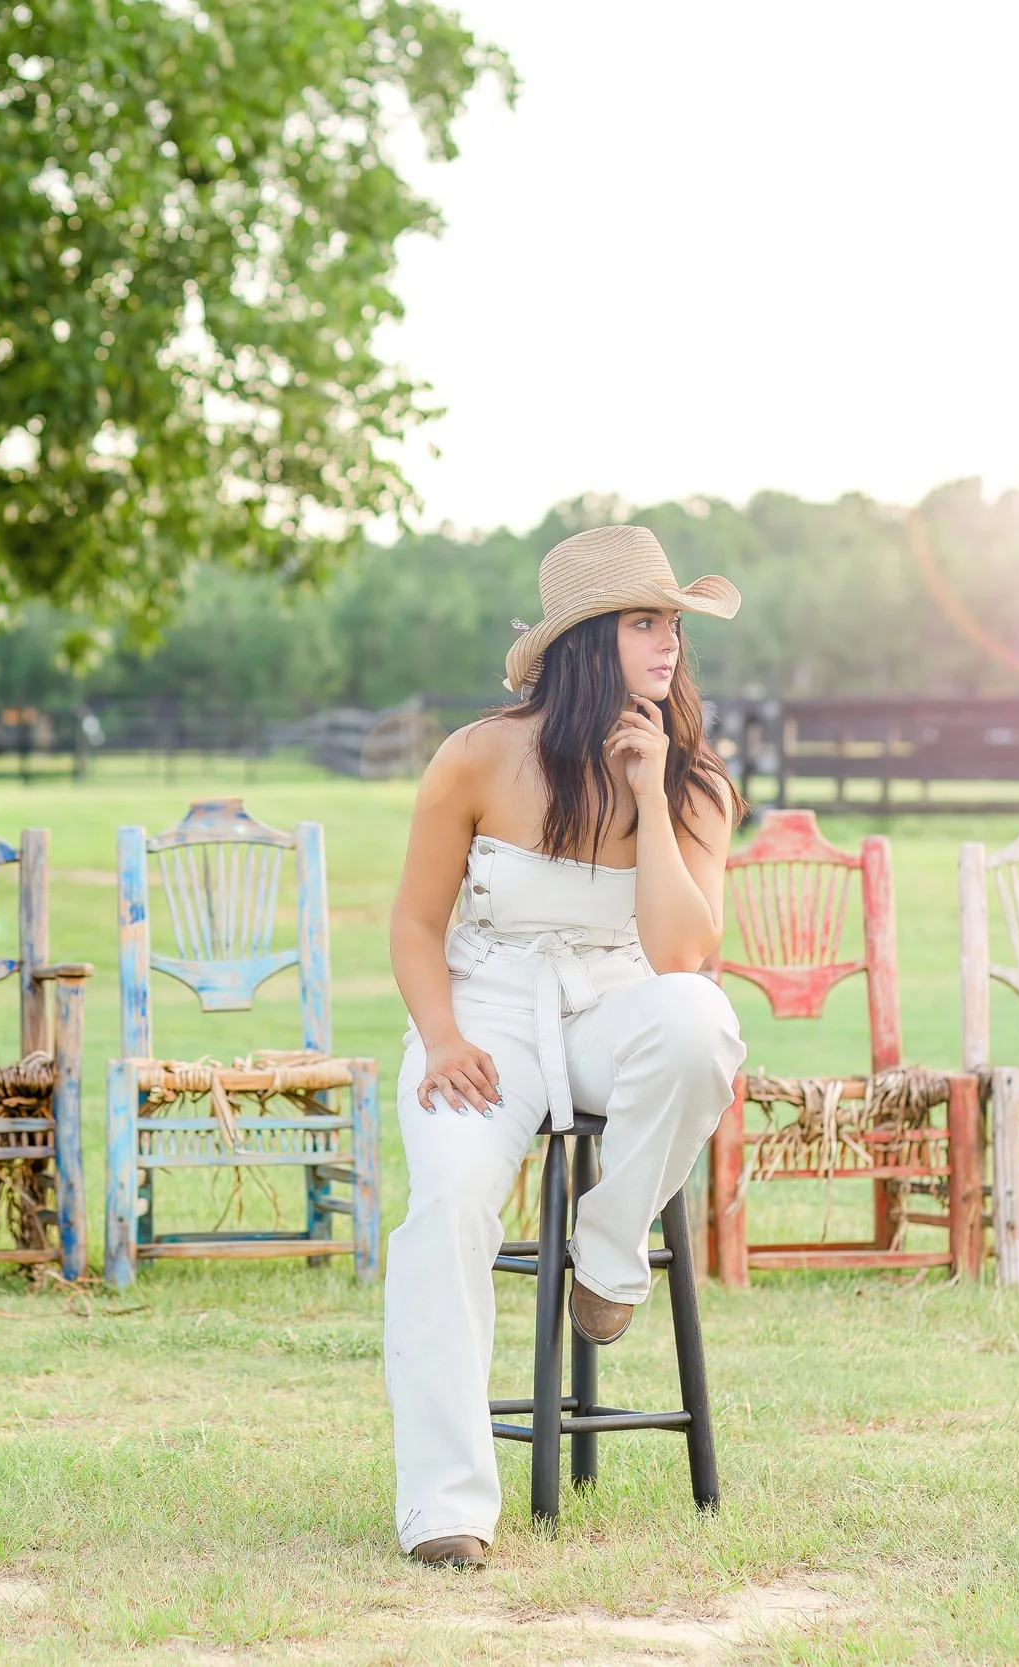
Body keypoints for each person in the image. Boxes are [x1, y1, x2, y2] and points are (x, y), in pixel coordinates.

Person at [383, 523, 749, 1568]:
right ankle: (445, 1505)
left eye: (674, 622)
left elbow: (680, 957)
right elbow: (413, 923)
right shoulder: (477, 756)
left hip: (610, 1005)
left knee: (701, 1024)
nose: (670, 641)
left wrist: (646, 789)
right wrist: (441, 1037)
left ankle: (609, 1252)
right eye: (646, 622)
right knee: (447, 1205)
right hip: (483, 1014)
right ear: (589, 641)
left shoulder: (695, 786)